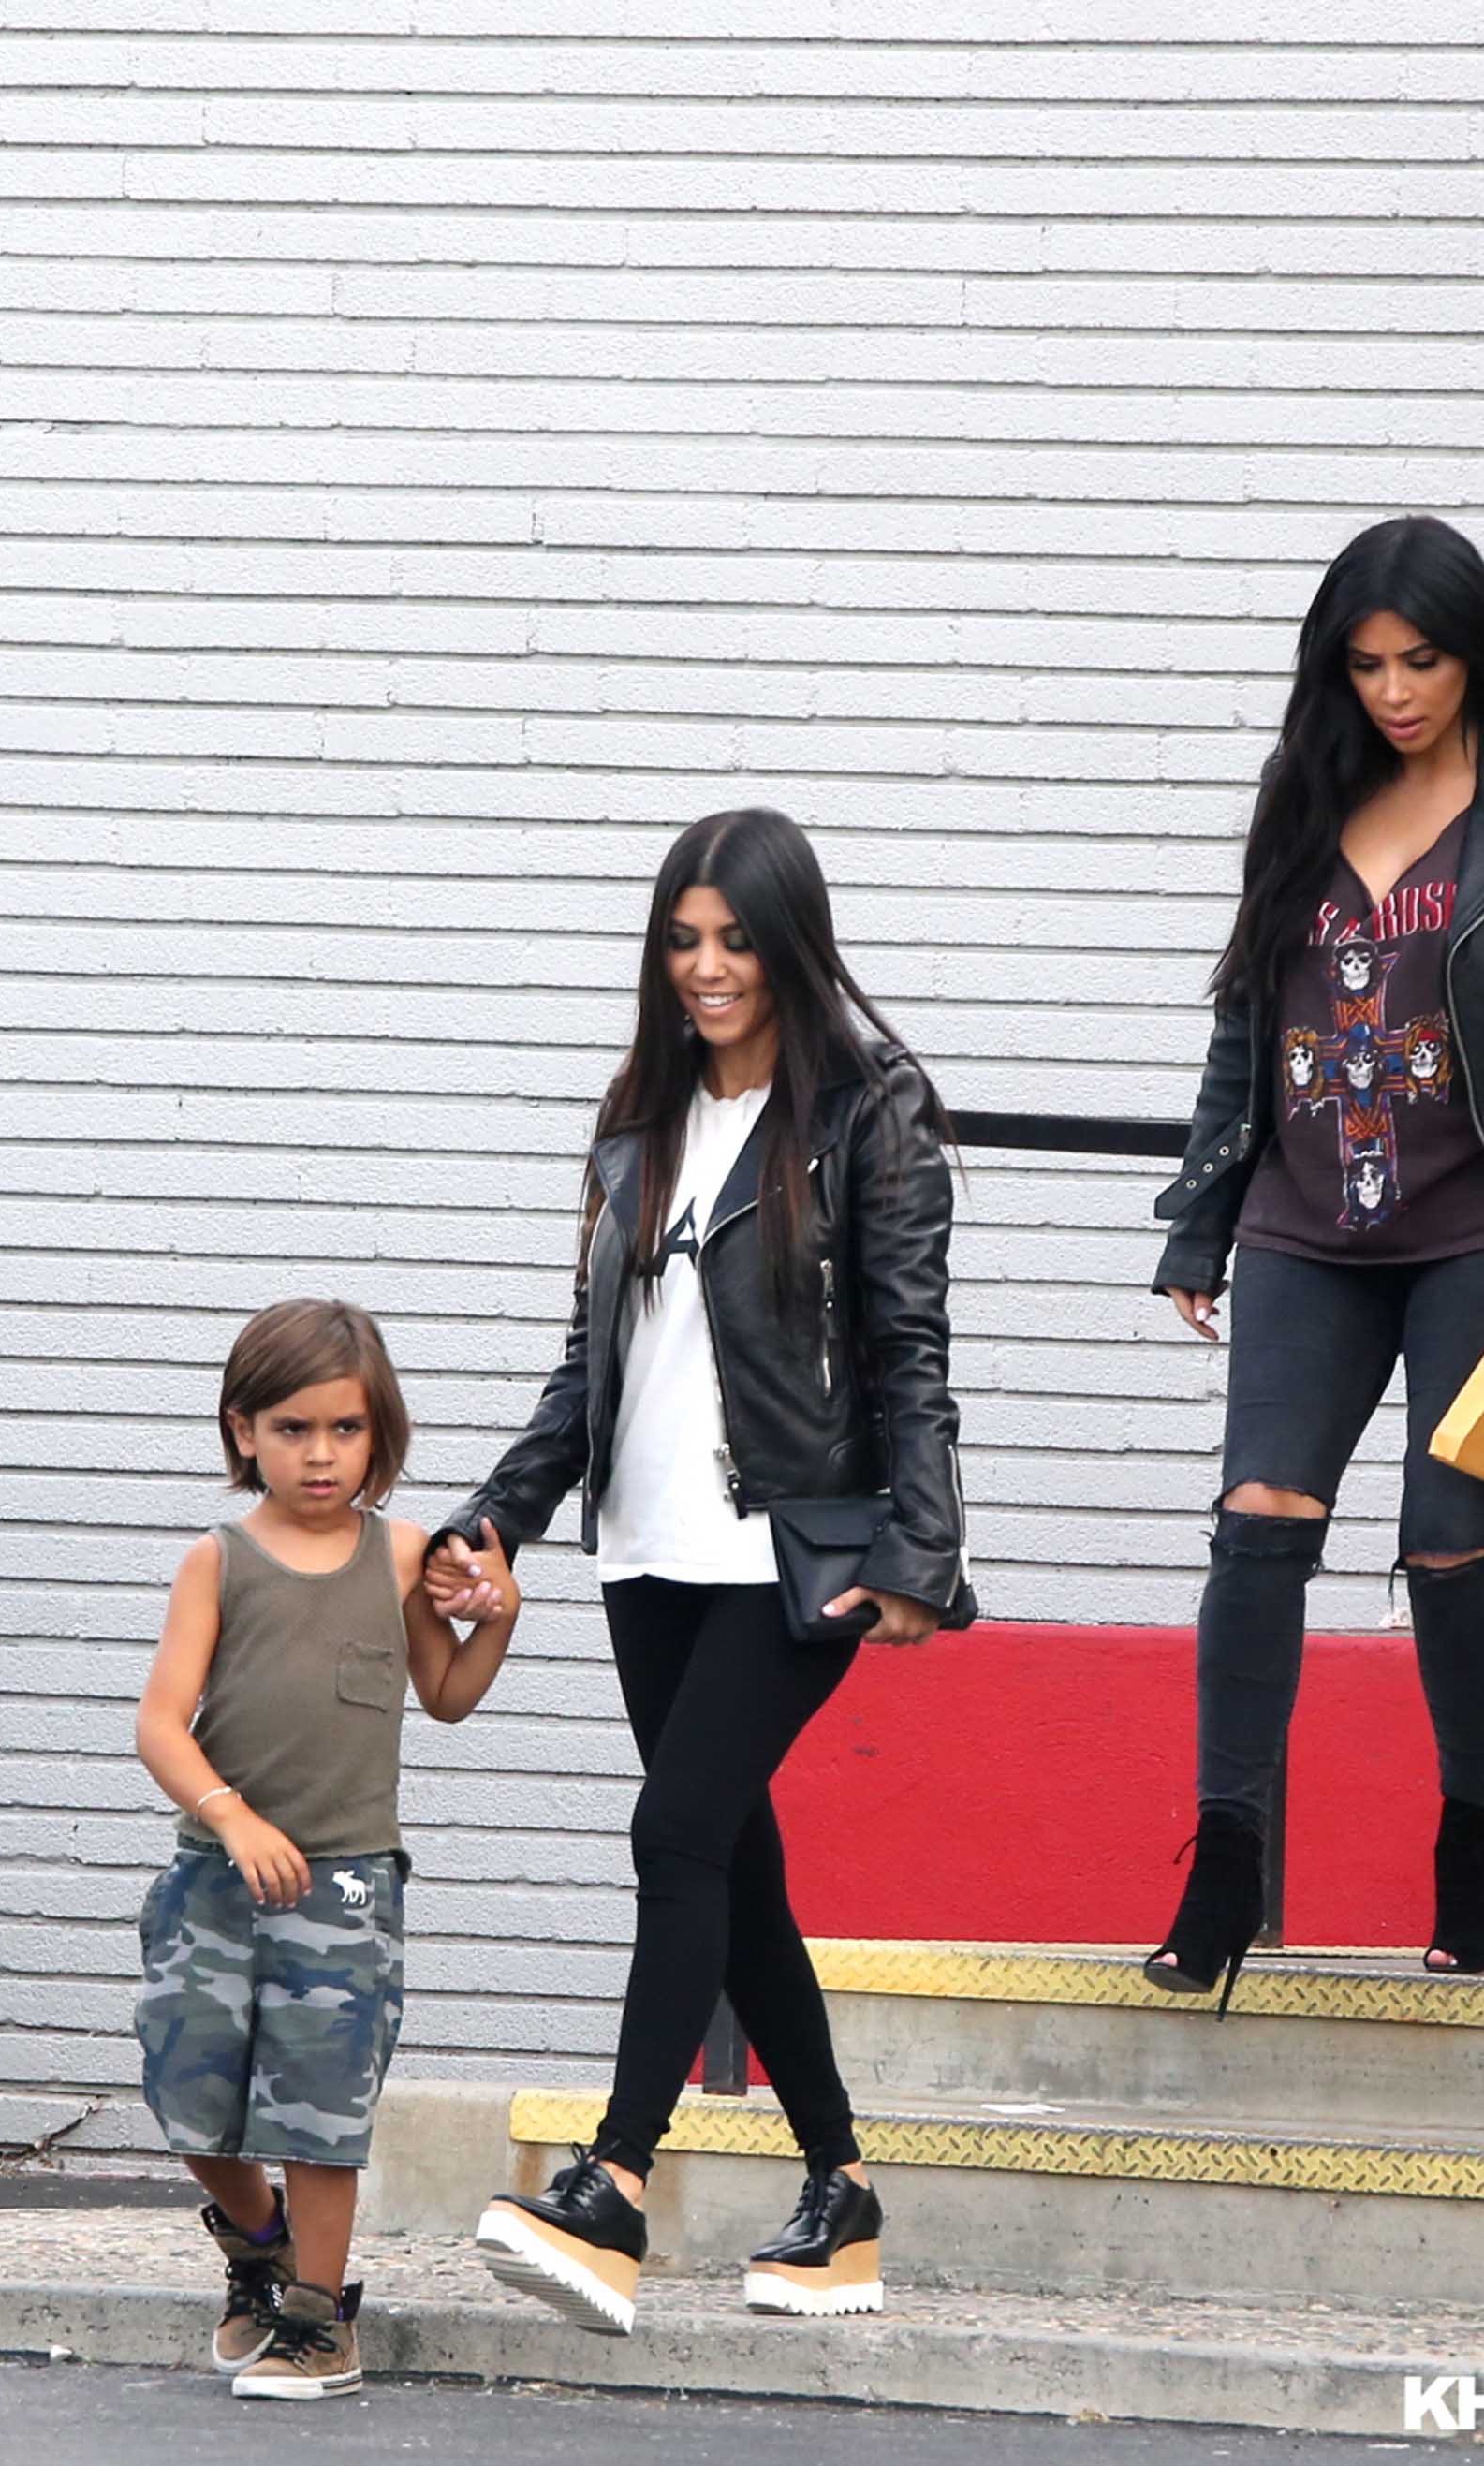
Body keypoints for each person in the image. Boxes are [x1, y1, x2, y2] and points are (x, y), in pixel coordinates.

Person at [423, 806, 964, 2333]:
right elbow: (586, 1370)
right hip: (650, 1549)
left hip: (794, 1550)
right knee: (737, 1863)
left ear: (789, 940)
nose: (707, 967)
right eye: (683, 938)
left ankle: (616, 2182)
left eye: (734, 937)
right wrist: (501, 1514)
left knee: (675, 1828)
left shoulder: (868, 1107)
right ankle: (840, 2194)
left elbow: (912, 1350)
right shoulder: (637, 1119)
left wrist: (922, 1541)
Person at [1147, 514, 1484, 2002]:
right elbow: (1247, 1010)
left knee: (1447, 1531)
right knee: (1260, 1515)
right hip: (1306, 1219)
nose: (1394, 691)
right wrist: (1202, 1209)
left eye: (1421, 659)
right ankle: (1229, 1858)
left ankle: (1471, 1835)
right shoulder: (1305, 789)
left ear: (1472, 648)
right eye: (1365, 664)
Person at [133, 1299, 519, 2400]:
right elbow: (161, 1722)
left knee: (319, 2110)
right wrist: (232, 1815)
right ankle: (258, 2246)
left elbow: (444, 1695)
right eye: (292, 1429)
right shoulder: (219, 1560)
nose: (318, 1455)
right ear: (242, 1430)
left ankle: (317, 2316)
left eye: (344, 1431)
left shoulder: (403, 1557)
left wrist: (495, 1618)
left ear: (379, 1435)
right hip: (218, 1875)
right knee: (186, 2090)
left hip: (347, 1885)